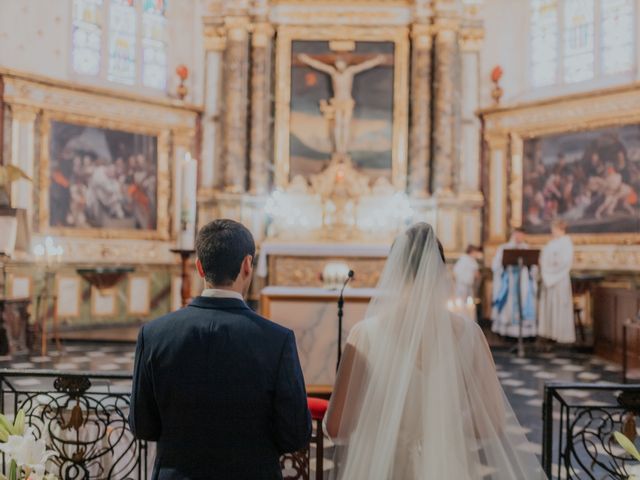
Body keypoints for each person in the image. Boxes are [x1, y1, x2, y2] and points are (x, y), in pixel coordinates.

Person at [325, 223, 545, 479]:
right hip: (448, 466)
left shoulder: (364, 335)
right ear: (440, 272)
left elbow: (336, 426)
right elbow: (492, 424)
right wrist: (444, 423)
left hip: (384, 467)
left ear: (394, 271)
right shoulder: (471, 335)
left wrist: (382, 415)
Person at [129, 219, 312, 479]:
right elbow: (294, 434)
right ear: (247, 264)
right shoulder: (277, 340)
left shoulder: (154, 335)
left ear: (199, 267)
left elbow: (143, 426)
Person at [491, 228, 537, 338]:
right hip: (510, 280)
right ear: (513, 235)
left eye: (521, 235)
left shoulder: (526, 249)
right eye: (517, 235)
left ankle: (524, 333)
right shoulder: (504, 248)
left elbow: (533, 266)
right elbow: (496, 265)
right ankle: (507, 331)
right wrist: (503, 267)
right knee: (509, 303)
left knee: (524, 300)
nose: (519, 237)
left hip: (523, 280)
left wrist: (532, 269)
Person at [538, 219, 575, 343]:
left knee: (559, 306)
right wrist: (545, 266)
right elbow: (544, 258)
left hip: (559, 279)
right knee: (550, 306)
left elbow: (564, 262)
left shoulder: (566, 242)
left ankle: (560, 335)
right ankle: (549, 333)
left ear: (560, 229)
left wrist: (549, 267)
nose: (552, 231)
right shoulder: (552, 243)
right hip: (548, 278)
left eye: (554, 228)